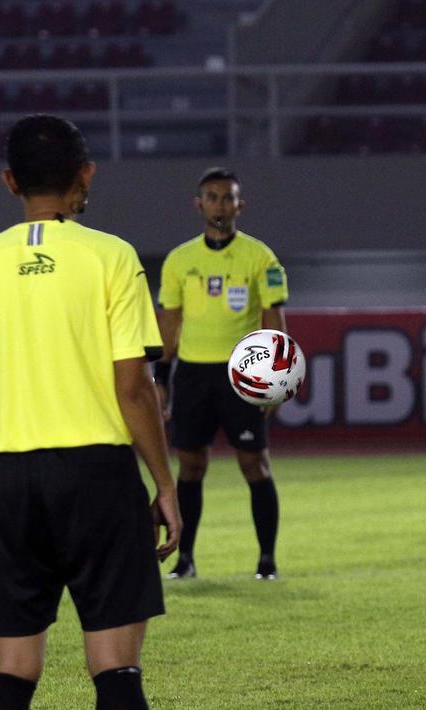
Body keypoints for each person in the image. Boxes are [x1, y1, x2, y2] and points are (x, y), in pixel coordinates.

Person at [0, 114, 181, 710]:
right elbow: (135, 388)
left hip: (10, 484)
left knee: (12, 674)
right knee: (116, 671)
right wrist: (165, 485)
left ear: (10, 182)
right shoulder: (113, 258)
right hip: (100, 478)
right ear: (86, 173)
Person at [155, 167, 289, 580]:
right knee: (190, 467)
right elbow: (170, 324)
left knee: (255, 465)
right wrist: (161, 379)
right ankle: (186, 559)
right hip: (192, 376)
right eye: (212, 197)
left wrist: (276, 380)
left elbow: (273, 320)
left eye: (228, 197)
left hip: (242, 376)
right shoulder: (180, 260)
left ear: (239, 206)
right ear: (199, 205)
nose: (220, 204)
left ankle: (266, 561)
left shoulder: (260, 257)